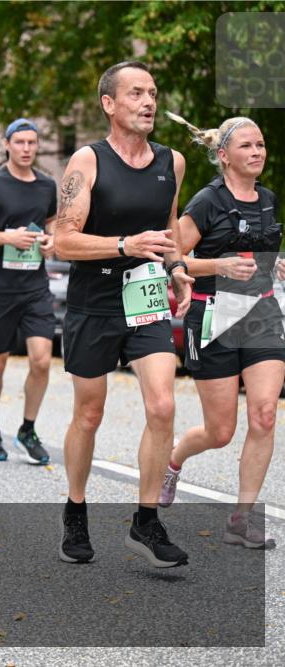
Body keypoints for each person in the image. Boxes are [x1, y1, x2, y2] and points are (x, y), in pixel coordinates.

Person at [54, 61, 193, 567]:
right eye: (136, 93)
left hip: (146, 297)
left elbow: (170, 227)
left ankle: (146, 520)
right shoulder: (86, 162)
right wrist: (122, 244)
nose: (148, 102)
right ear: (109, 104)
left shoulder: (172, 162)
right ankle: (75, 509)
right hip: (94, 300)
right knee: (89, 413)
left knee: (162, 406)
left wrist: (176, 267)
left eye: (153, 93)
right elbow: (63, 240)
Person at [160, 113, 283, 549]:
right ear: (223, 155)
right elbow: (171, 258)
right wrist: (219, 266)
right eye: (247, 146)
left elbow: (258, 255)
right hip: (213, 314)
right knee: (220, 431)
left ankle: (241, 519)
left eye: (261, 145)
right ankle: (173, 460)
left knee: (265, 414)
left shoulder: (267, 199)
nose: (257, 152)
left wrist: (274, 266)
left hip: (261, 312)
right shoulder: (206, 202)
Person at [0, 118, 57, 465]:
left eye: (31, 143)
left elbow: (52, 223)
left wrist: (52, 241)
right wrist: (7, 237)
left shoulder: (47, 185)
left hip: (35, 287)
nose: (26, 149)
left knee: (41, 360)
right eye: (19, 142)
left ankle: (27, 429)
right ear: (7, 144)